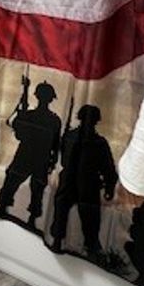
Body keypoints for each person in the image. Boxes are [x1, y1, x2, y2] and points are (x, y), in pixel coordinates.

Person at [50, 104, 118, 258]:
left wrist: (109, 187)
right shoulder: (76, 138)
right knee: (63, 210)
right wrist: (109, 186)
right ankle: (59, 240)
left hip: (85, 183)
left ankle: (90, 245)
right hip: (74, 181)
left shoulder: (96, 142)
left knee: (89, 218)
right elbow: (108, 169)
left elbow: (108, 169)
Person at [0, 81, 61, 229]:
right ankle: (29, 217)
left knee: (21, 183)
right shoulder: (53, 120)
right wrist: (21, 114)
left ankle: (6, 208)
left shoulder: (33, 116)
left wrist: (21, 116)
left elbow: (19, 133)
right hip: (37, 156)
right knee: (25, 184)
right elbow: (56, 145)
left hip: (30, 155)